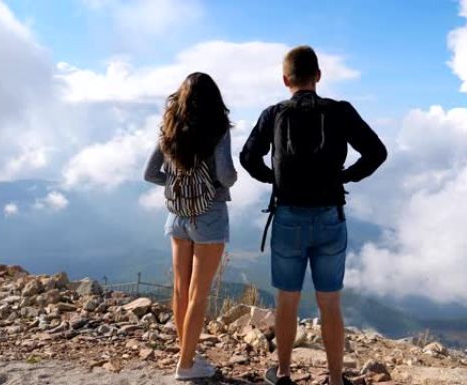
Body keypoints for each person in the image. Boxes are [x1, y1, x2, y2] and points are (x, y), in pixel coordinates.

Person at [240, 46, 387, 385]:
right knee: (330, 303)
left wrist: (272, 178)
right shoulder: (340, 111)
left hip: (288, 215)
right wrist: (346, 176)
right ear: (318, 76)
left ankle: (284, 373)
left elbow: (249, 157)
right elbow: (377, 152)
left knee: (287, 300)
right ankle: (336, 379)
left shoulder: (273, 113)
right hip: (330, 216)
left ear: (284, 79)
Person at [143, 72, 237, 380]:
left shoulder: (169, 130)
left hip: (177, 215)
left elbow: (149, 173)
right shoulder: (218, 130)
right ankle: (185, 365)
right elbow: (226, 175)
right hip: (209, 215)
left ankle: (188, 355)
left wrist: (176, 182)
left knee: (181, 290)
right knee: (199, 293)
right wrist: (216, 184)